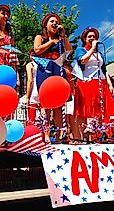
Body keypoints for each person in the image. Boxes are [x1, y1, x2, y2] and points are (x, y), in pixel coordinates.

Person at [33, 13, 73, 142]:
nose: (55, 23)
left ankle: (58, 135)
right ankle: (45, 134)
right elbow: (37, 50)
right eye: (52, 21)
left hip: (58, 68)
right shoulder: (40, 37)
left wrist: (63, 36)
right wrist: (51, 42)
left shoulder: (61, 40)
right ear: (46, 24)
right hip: (45, 68)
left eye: (56, 22)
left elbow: (69, 51)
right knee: (45, 102)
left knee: (59, 103)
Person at [74, 27, 114, 141]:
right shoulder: (81, 49)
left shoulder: (99, 54)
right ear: (84, 39)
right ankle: (83, 137)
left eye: (94, 36)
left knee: (101, 108)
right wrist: (92, 48)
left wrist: (110, 84)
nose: (92, 38)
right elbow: (82, 60)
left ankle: (100, 135)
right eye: (90, 36)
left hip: (101, 81)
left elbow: (104, 70)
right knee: (86, 109)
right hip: (87, 82)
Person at [25, 49, 40, 125]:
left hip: (34, 92)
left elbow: (30, 80)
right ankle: (45, 135)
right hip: (42, 90)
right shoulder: (43, 64)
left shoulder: (30, 65)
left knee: (31, 118)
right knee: (44, 117)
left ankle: (32, 134)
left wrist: (27, 97)